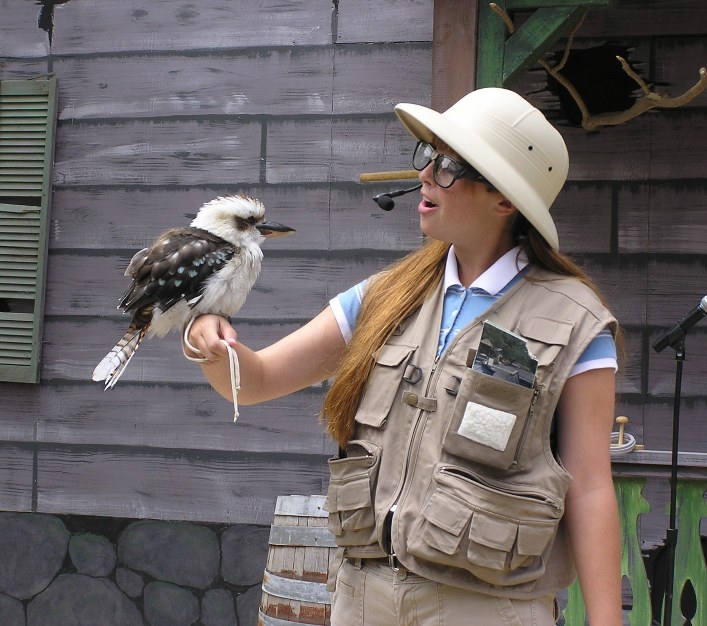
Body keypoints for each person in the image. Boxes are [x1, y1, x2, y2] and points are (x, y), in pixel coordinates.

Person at [183, 88, 623, 626]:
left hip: (486, 608)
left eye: (446, 166)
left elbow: (592, 484)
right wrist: (207, 335)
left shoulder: (575, 321)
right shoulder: (385, 295)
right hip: (364, 599)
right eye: (428, 158)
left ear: (504, 198)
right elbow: (253, 381)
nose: (425, 176)